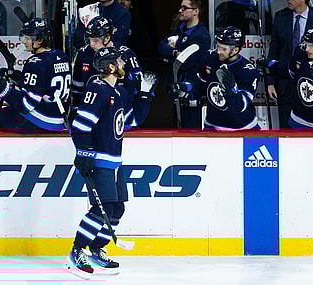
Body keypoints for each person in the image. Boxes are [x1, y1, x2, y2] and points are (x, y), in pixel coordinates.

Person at [65, 46, 158, 278]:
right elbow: (81, 125)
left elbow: (132, 120)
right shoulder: (97, 89)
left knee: (117, 208)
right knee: (102, 207)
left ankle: (97, 248)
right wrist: (84, 155)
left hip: (115, 161)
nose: (124, 64)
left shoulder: (117, 92)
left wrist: (144, 96)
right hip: (98, 160)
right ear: (109, 66)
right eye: (119, 61)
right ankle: (77, 251)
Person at [0, 18, 72, 134]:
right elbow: (44, 84)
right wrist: (19, 78)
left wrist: (4, 91)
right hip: (58, 118)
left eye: (28, 38)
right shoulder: (62, 56)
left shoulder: (35, 62)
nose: (24, 41)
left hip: (39, 120)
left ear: (40, 40)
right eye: (24, 37)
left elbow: (27, 105)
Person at [172, 26, 260, 130]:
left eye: (223, 49)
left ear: (236, 50)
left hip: (243, 128)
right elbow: (201, 86)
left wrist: (231, 91)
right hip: (212, 125)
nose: (218, 51)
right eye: (218, 46)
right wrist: (186, 87)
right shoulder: (209, 58)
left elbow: (239, 106)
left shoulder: (247, 71)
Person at [158, 0, 210, 129]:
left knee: (189, 132)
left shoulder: (201, 36)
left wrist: (169, 57)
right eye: (180, 7)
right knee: (176, 129)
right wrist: (175, 52)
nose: (180, 10)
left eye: (184, 8)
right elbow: (161, 47)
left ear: (196, 11)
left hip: (191, 93)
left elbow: (184, 63)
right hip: (175, 89)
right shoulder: (180, 29)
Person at [267, 0, 313, 129]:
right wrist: (270, 81)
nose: (288, 0)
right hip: (285, 83)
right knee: (286, 128)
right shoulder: (280, 17)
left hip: (311, 82)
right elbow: (274, 50)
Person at [71, 15, 142, 109]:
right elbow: (77, 88)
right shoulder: (83, 53)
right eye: (89, 39)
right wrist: (76, 108)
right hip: (91, 109)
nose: (91, 44)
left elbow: (138, 84)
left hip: (120, 110)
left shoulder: (126, 54)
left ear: (107, 37)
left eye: (95, 40)